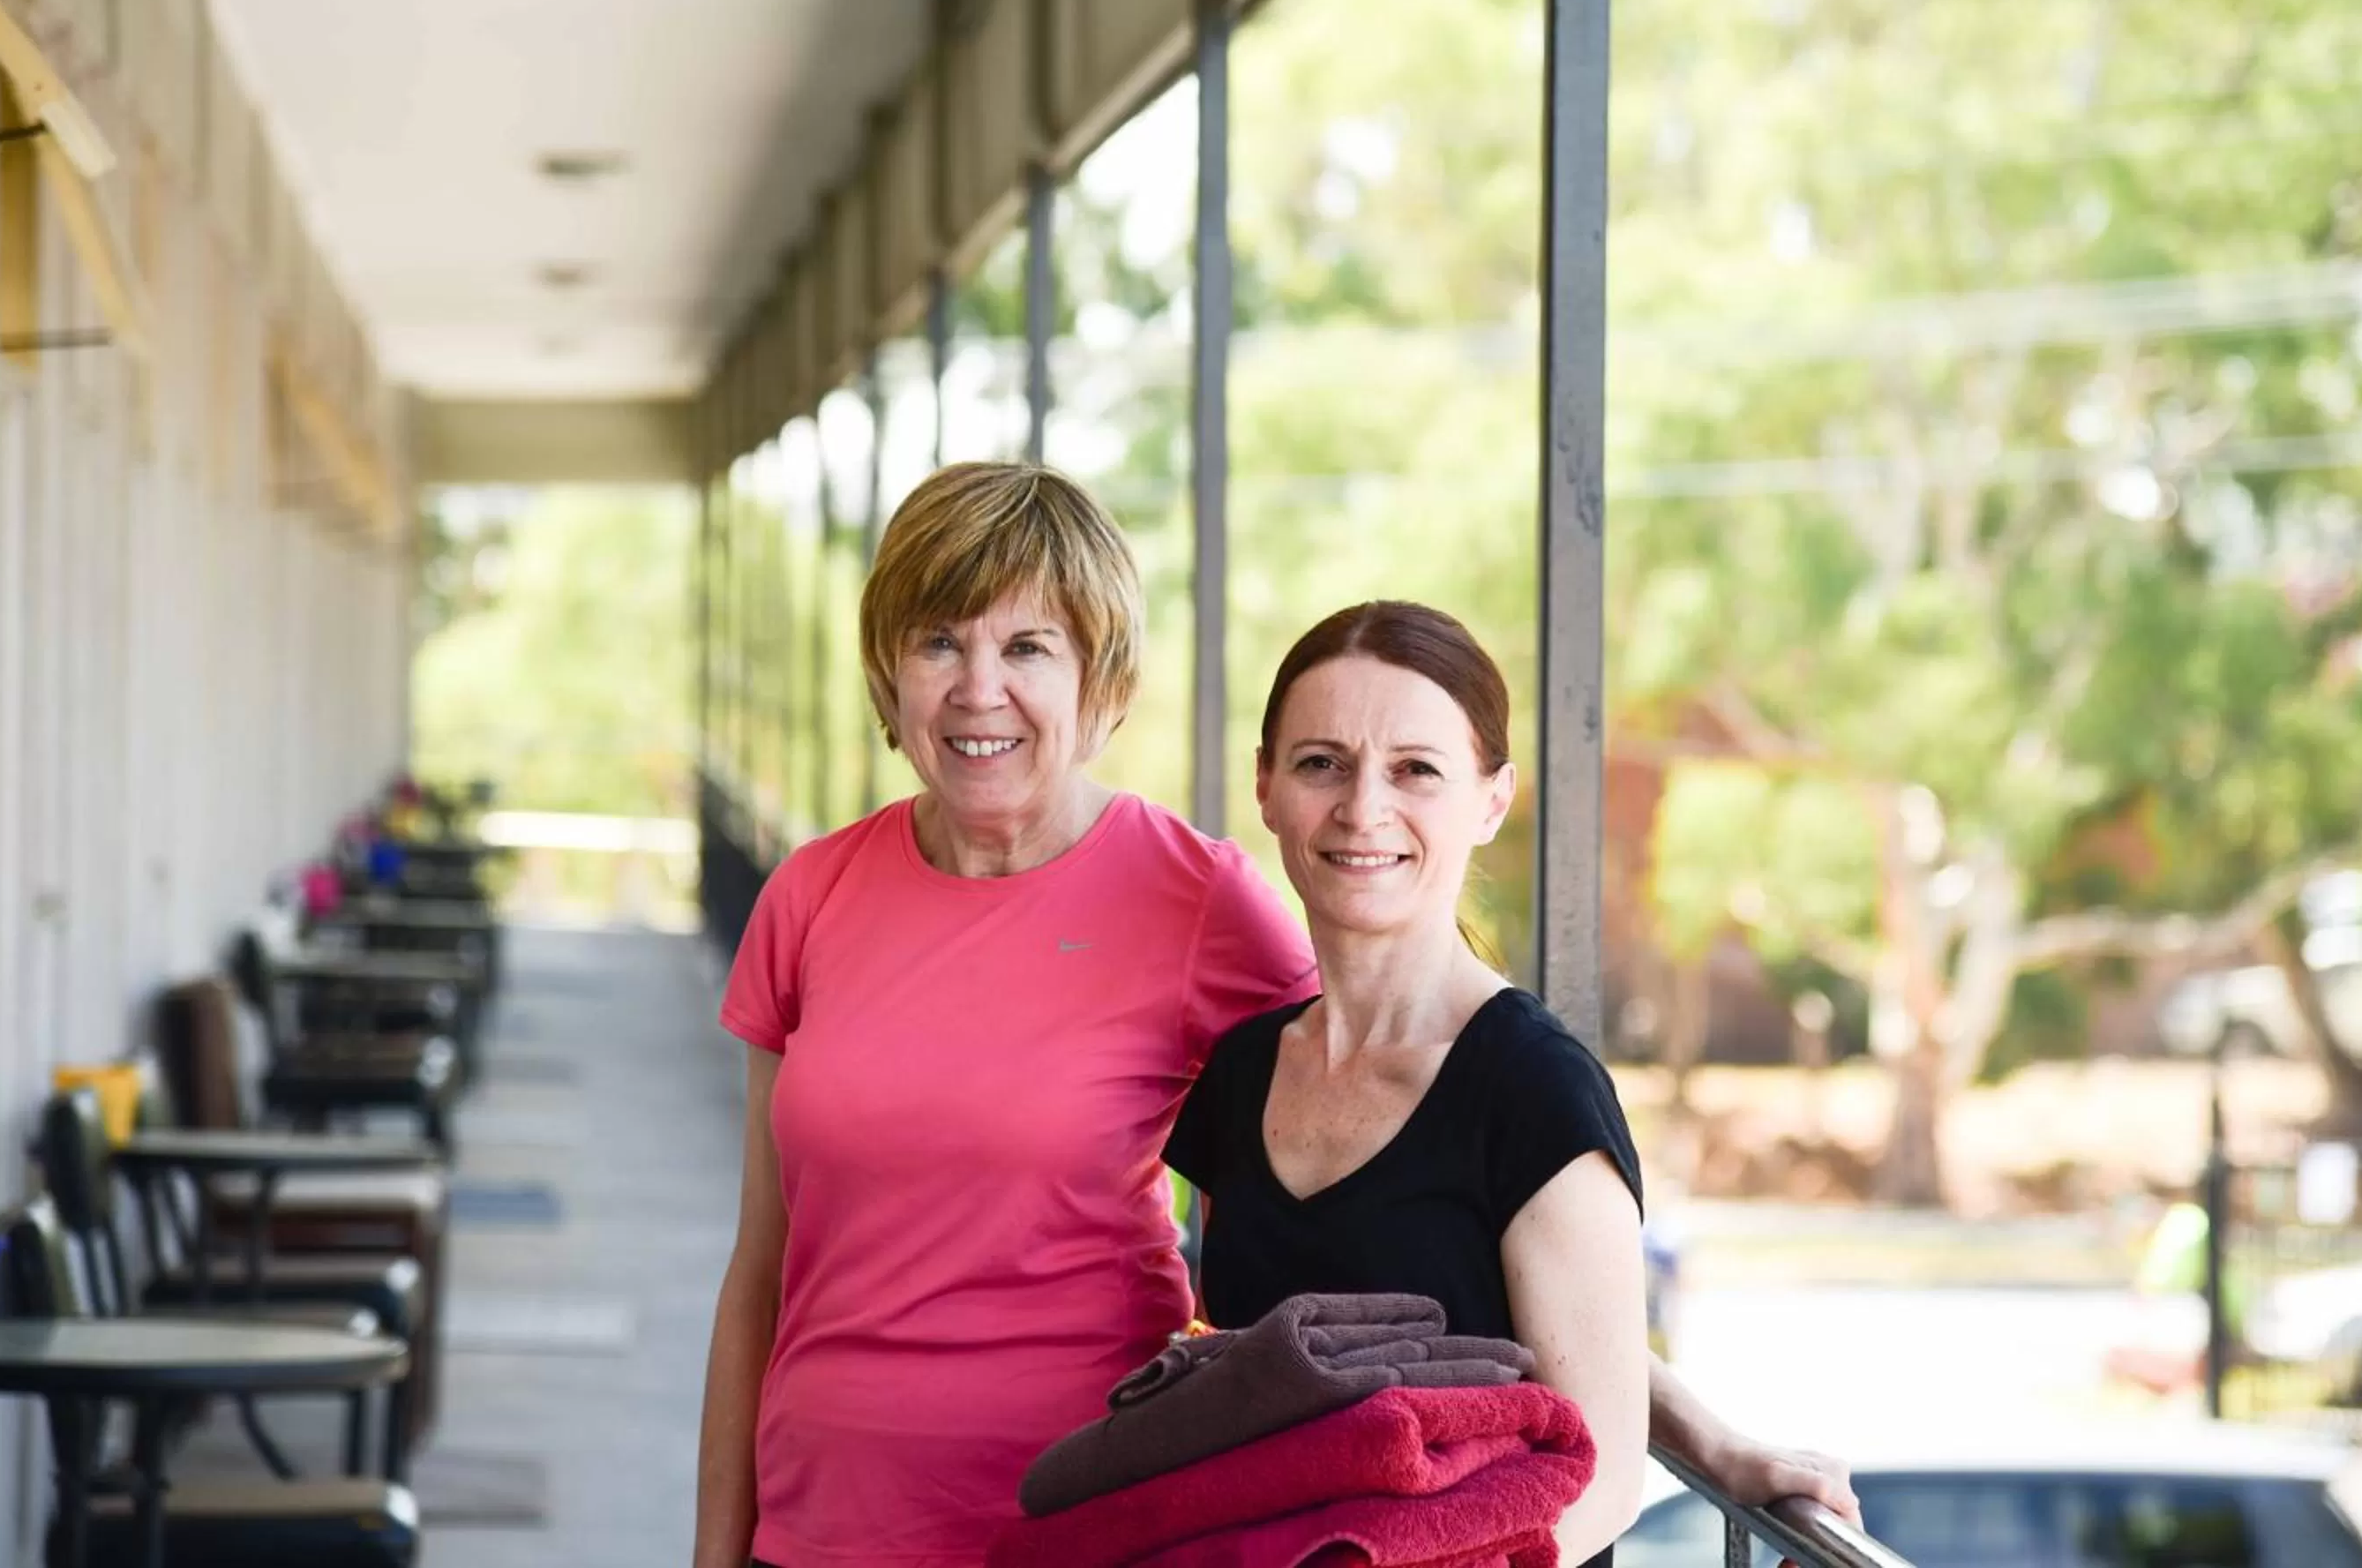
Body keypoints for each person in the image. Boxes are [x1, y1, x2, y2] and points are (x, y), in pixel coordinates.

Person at [694, 463, 1856, 1568]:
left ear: (1099, 678)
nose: (977, 686)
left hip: (1098, 1525)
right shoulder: (812, 896)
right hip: (822, 1527)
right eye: (938, 640)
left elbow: (1462, 1182)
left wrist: (1702, 1433)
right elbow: (761, 1270)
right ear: (888, 670)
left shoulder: (1201, 907)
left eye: (1027, 645)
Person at [1165, 601, 1644, 1562]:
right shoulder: (1244, 1069)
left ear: (1493, 798)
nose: (1362, 809)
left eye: (1415, 769)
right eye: (1320, 763)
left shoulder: (1536, 1090)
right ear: (1265, 786)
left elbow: (1605, 1468)